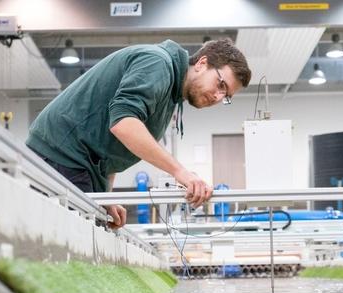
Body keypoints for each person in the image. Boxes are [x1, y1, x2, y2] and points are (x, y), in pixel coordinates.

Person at [26, 38, 251, 228]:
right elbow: (123, 123)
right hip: (60, 156)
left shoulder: (170, 95)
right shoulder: (157, 63)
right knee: (72, 253)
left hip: (78, 164)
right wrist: (181, 172)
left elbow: (113, 147)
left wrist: (106, 197)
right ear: (202, 63)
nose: (218, 97)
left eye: (227, 96)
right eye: (221, 84)